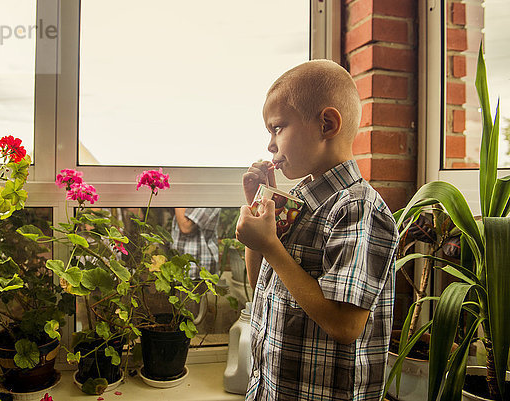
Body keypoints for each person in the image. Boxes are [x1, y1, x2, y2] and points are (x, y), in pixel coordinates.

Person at [235, 60, 399, 400]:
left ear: (326, 124)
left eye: (277, 128)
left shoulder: (357, 208)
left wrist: (271, 247)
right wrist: (261, 208)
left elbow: (345, 325)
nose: (270, 144)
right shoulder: (296, 202)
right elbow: (260, 286)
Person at [171, 207, 221, 279]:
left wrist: (177, 197)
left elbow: (186, 227)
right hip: (183, 264)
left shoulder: (209, 196)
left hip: (197, 268)